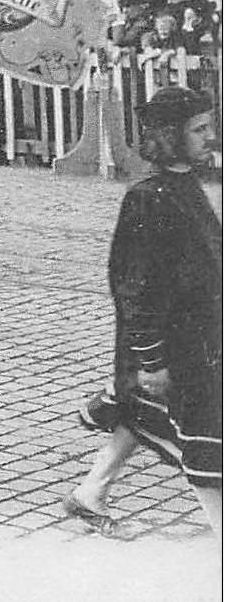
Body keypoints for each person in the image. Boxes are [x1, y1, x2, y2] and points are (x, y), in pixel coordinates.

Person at [66, 86, 221, 538]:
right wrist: (151, 361)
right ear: (172, 135)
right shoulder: (149, 197)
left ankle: (90, 493)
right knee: (208, 449)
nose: (210, 137)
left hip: (198, 341)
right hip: (170, 348)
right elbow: (133, 291)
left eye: (210, 126)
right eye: (200, 129)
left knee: (146, 414)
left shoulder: (186, 186)